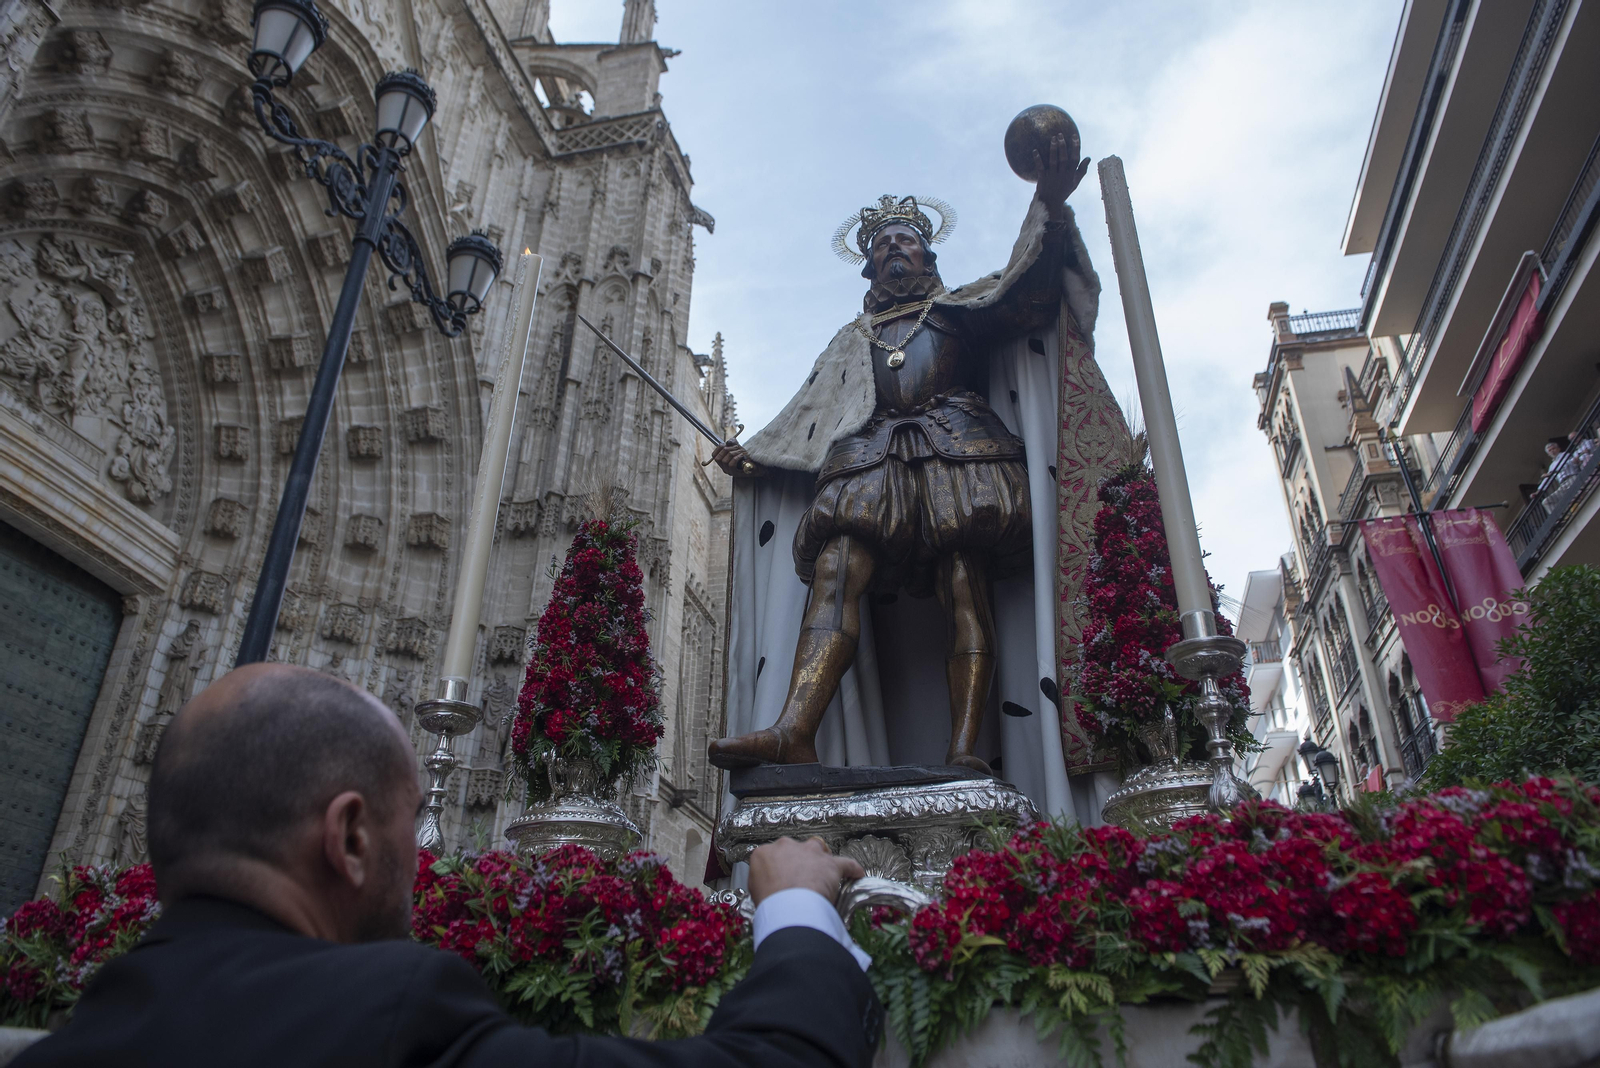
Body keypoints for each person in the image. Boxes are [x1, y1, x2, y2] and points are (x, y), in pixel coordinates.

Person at [15, 663, 880, 1068]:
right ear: (348, 837)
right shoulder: (391, 1022)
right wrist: (796, 910)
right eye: (413, 820)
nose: (423, 857)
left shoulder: (71, 1044)